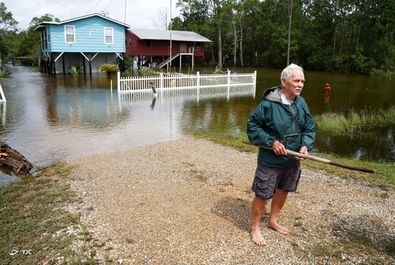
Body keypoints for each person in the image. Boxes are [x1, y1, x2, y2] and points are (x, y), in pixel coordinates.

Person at [247, 63, 315, 246]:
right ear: (284, 81)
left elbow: (309, 128)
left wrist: (305, 146)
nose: (300, 84)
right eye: (296, 80)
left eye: (302, 81)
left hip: (292, 161)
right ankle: (255, 227)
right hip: (270, 161)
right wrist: (271, 142)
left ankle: (272, 220)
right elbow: (252, 127)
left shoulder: (301, 103)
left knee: (284, 190)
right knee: (262, 193)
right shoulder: (269, 104)